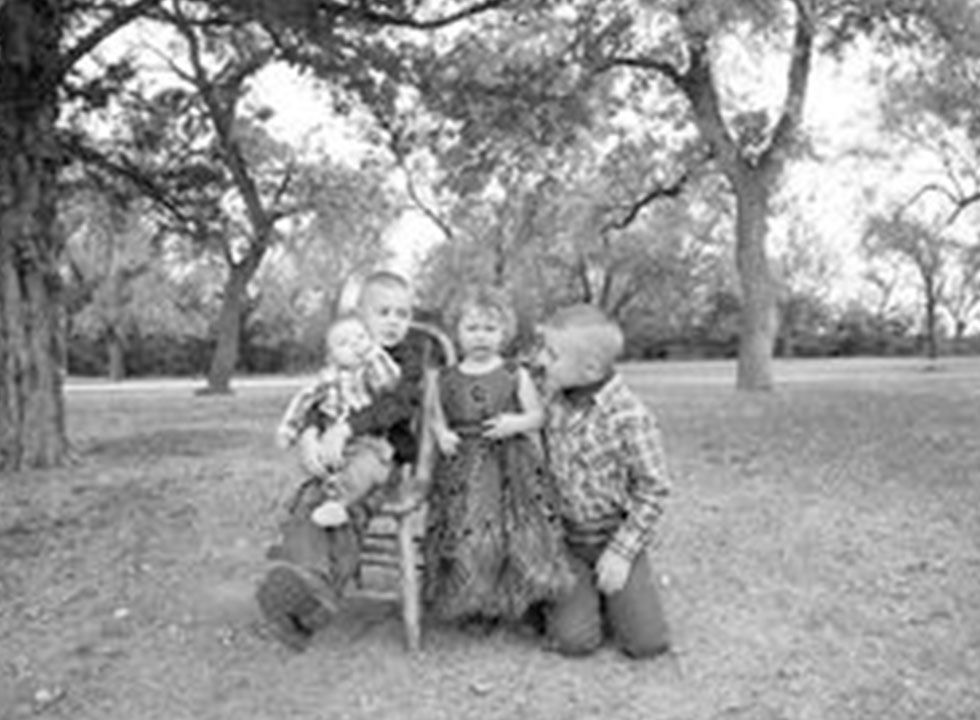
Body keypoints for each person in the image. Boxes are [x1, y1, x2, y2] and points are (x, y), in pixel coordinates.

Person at [256, 270, 443, 650]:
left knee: (349, 507)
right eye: (384, 312)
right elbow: (319, 398)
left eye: (403, 314)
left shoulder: (406, 359)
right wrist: (309, 434)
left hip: (385, 462)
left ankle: (312, 599)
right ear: (360, 316)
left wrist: (346, 429)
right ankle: (307, 590)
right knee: (313, 500)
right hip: (338, 461)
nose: (394, 321)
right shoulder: (344, 353)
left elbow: (396, 403)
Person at [422, 285, 574, 626]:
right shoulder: (444, 378)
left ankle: (520, 600)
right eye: (472, 328)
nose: (481, 337)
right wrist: (441, 432)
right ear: (457, 332)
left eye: (490, 329)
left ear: (504, 333)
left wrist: (516, 422)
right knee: (467, 531)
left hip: (510, 465)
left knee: (513, 533)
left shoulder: (513, 374)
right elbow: (434, 414)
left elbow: (539, 416)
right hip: (462, 466)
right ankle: (474, 601)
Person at [534, 304, 671, 658]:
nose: (540, 360)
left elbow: (653, 490)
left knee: (647, 644)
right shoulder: (552, 402)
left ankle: (617, 592)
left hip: (614, 537)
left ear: (591, 367)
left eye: (551, 354)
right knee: (573, 641)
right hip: (568, 541)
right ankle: (579, 598)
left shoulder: (630, 416)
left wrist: (622, 553)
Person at [275, 313, 401, 527]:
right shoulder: (327, 378)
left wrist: (373, 353)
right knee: (304, 468)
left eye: (361, 337)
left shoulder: (371, 372)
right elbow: (304, 401)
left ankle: (338, 504)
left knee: (365, 469)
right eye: (344, 343)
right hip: (329, 444)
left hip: (368, 443)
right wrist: (290, 429)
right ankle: (290, 504)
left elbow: (390, 382)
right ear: (331, 356)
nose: (355, 345)